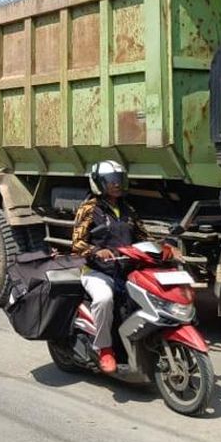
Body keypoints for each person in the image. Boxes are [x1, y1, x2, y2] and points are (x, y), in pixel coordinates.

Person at [70, 160, 149, 374]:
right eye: (111, 181)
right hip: (97, 272)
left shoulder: (128, 209)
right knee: (104, 299)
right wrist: (96, 251)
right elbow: (77, 243)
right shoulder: (89, 208)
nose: (116, 185)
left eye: (119, 180)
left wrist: (165, 248)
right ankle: (104, 348)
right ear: (98, 183)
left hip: (125, 270)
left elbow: (143, 237)